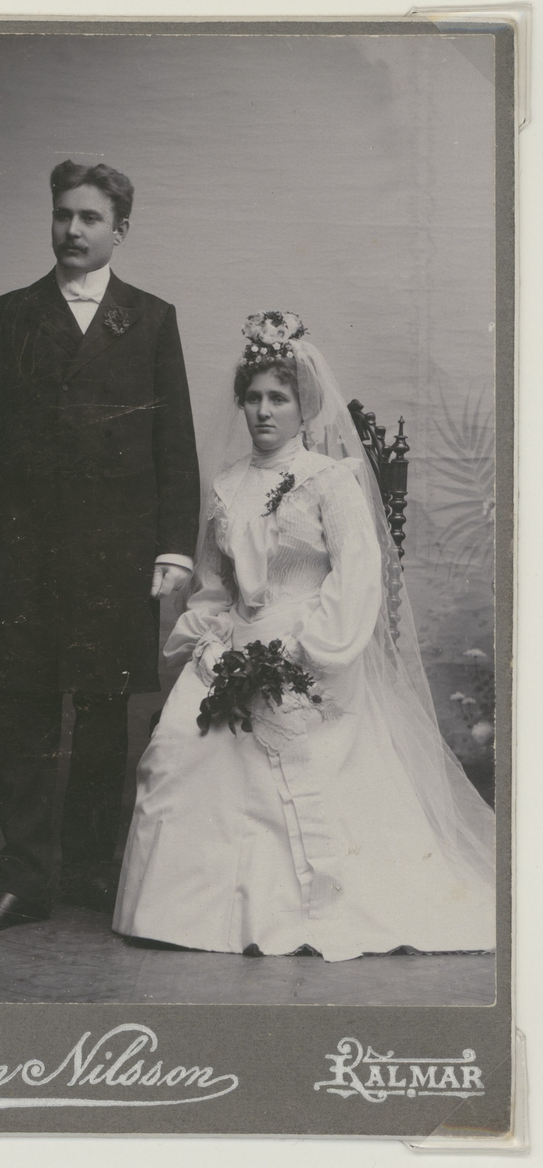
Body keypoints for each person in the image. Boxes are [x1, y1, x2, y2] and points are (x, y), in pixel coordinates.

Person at [113, 311, 495, 961]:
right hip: (236, 643)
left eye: (278, 398)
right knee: (176, 748)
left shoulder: (330, 480)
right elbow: (214, 586)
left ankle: (304, 908)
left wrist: (305, 652)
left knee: (298, 748)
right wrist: (211, 642)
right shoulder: (226, 486)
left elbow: (357, 575)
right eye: (253, 397)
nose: (263, 411)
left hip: (313, 646)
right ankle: (181, 914)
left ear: (304, 405)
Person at [0, 161, 200, 932]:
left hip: (116, 555)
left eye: (90, 218)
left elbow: (174, 443)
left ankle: (92, 870)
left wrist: (173, 547)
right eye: (63, 214)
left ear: (119, 230)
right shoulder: (10, 315)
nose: (73, 230)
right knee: (24, 714)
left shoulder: (150, 319)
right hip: (28, 552)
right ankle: (24, 880)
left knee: (102, 717)